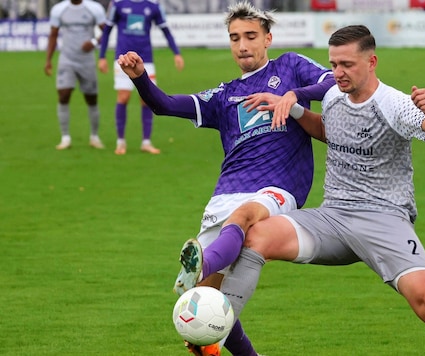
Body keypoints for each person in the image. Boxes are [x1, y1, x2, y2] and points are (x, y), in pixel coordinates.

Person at [217, 25, 425, 355]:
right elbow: (330, 132)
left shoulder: (393, 103)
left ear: (371, 62)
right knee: (256, 236)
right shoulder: (332, 97)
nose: (338, 73)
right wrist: (295, 110)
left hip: (384, 219)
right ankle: (214, 329)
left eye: (347, 65)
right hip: (333, 218)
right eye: (333, 65)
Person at [116, 2, 335, 354]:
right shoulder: (224, 95)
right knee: (201, 322)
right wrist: (140, 77)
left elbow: (330, 81)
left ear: (268, 39)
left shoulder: (290, 66)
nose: (243, 45)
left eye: (251, 36)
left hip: (277, 187)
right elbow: (165, 105)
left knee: (246, 216)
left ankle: (205, 261)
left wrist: (293, 96)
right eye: (235, 38)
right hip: (225, 193)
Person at [98, 0, 185, 155]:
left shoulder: (153, 5)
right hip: (123, 59)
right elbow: (107, 30)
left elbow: (165, 30)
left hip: (146, 60)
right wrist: (102, 56)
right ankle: (121, 142)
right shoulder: (117, 4)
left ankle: (146, 142)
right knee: (123, 97)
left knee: (147, 100)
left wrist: (176, 53)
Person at [45, 0, 107, 150]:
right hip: (67, 59)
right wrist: (48, 60)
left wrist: (93, 42)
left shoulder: (94, 8)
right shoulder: (59, 9)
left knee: (91, 98)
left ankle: (94, 136)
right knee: (64, 94)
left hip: (87, 60)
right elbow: (53, 35)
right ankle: (65, 137)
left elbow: (107, 30)